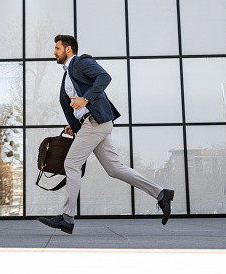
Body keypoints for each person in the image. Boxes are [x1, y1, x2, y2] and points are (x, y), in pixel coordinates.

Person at [37, 34, 174, 234]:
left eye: (57, 48)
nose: (54, 52)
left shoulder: (80, 61)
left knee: (71, 164)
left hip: (95, 122)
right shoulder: (67, 75)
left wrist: (86, 99)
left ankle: (67, 217)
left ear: (68, 49)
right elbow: (75, 103)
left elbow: (104, 77)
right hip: (91, 123)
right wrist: (75, 124)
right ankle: (161, 194)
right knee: (115, 169)